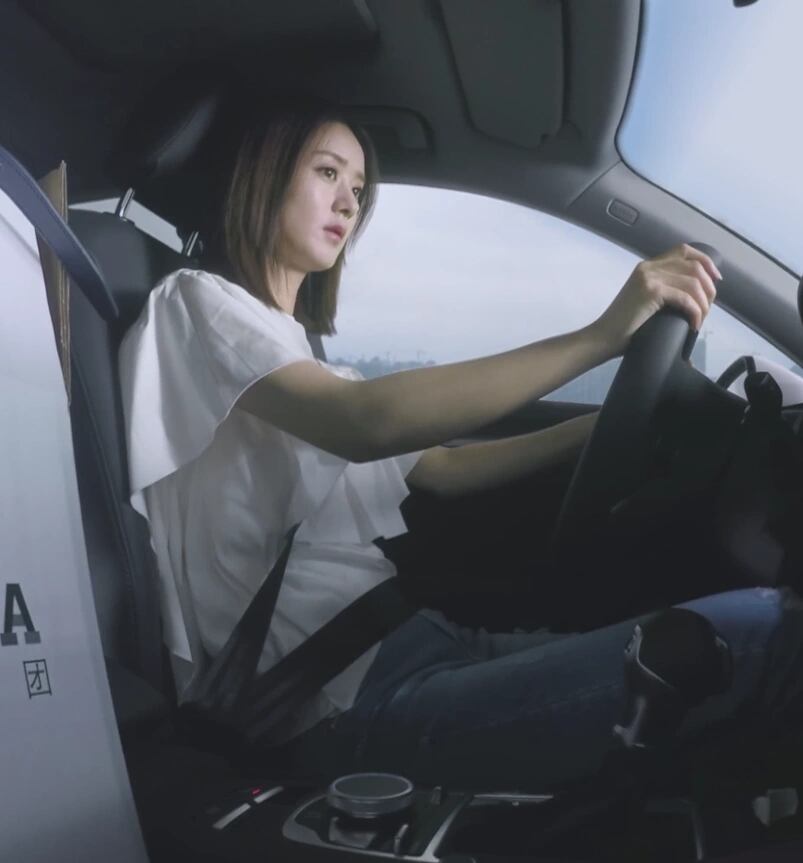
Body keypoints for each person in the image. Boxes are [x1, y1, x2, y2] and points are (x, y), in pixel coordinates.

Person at [119, 101, 803, 792]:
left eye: (357, 188)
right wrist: (600, 337)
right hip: (326, 701)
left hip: (407, 644)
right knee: (767, 634)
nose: (348, 203)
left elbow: (444, 468)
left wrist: (624, 418)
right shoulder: (196, 303)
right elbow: (363, 423)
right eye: (327, 173)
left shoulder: (302, 356)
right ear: (262, 177)